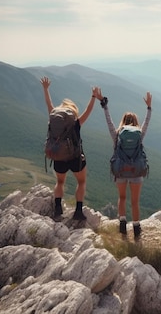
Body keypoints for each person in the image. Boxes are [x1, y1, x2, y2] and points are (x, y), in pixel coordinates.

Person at [93, 87, 152, 240]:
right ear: (135, 123)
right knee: (135, 201)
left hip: (120, 170)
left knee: (122, 197)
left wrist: (104, 105)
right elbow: (147, 123)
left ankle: (122, 224)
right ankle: (137, 227)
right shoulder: (139, 134)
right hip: (137, 171)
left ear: (123, 122)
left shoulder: (117, 134)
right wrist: (149, 107)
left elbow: (109, 121)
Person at [41, 76, 96, 221]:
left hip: (58, 155)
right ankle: (78, 211)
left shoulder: (54, 116)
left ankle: (58, 209)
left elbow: (49, 103)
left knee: (60, 182)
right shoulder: (76, 122)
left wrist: (46, 89)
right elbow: (89, 109)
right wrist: (93, 96)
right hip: (75, 157)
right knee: (81, 182)